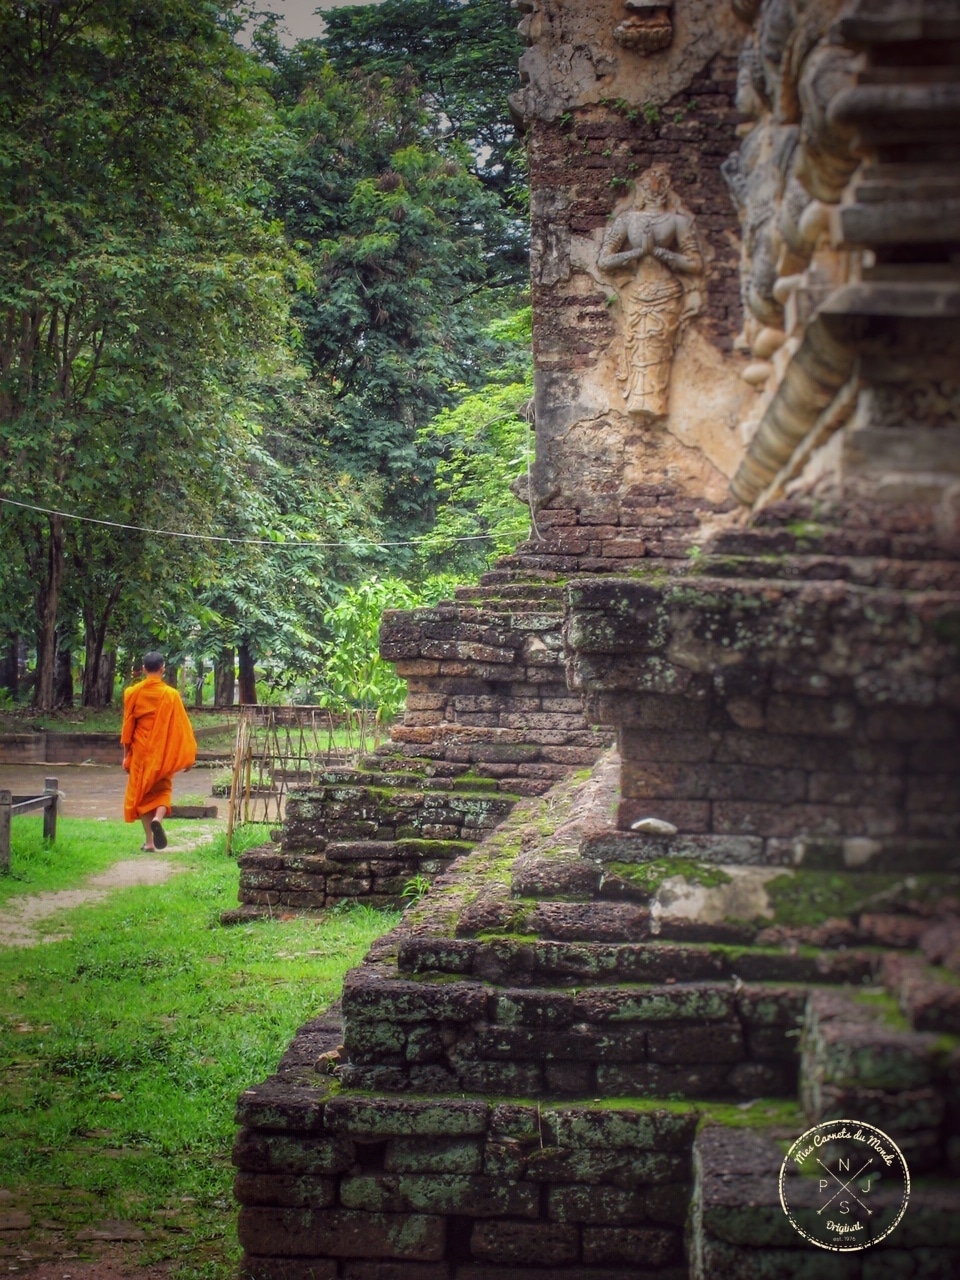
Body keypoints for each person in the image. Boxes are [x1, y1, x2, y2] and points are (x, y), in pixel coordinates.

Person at [597, 165, 702, 419]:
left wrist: (658, 252)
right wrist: (638, 253)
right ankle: (638, 401)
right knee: (636, 348)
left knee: (660, 349)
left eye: (658, 186)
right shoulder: (627, 220)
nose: (654, 191)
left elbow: (695, 264)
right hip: (636, 293)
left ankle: (658, 403)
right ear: (640, 190)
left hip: (667, 293)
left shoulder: (678, 221)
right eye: (648, 187)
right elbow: (603, 261)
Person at [121, 652, 197, 850]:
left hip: (140, 752)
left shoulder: (133, 693)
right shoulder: (171, 695)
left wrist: (126, 756)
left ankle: (149, 842)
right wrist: (187, 756)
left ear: (144, 669)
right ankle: (158, 818)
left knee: (142, 794)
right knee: (163, 789)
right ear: (163, 669)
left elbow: (128, 727)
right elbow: (182, 728)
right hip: (162, 751)